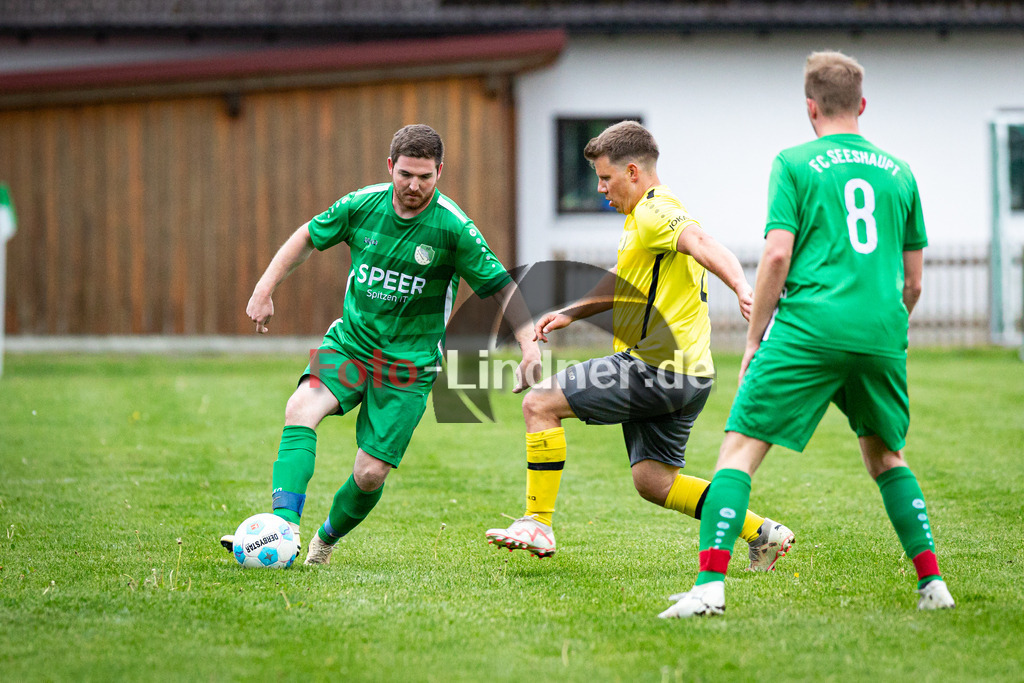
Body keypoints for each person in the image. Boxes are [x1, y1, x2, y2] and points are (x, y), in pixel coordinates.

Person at [660, 51, 955, 618]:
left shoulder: (794, 163)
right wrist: (889, 330)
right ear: (861, 105)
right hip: (881, 331)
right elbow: (913, 282)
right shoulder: (901, 171)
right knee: (887, 457)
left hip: (810, 327)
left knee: (737, 455)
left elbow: (776, 253)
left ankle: (709, 589)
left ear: (810, 107)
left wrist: (753, 340)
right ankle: (932, 584)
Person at [220, 124, 541, 565]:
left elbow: (502, 286)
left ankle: (324, 540)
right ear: (390, 166)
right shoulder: (361, 205)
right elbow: (308, 237)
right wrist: (264, 287)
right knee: (300, 409)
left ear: (440, 172)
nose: (414, 185)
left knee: (369, 474)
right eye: (406, 173)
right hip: (352, 345)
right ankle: (283, 528)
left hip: (407, 368)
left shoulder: (454, 229)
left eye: (425, 177)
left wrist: (529, 345)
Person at [485, 121, 795, 571]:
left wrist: (742, 286)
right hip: (692, 374)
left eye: (605, 178)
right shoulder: (641, 221)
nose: (600, 189)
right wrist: (571, 313)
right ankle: (762, 533)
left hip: (656, 367)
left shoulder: (655, 211)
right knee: (653, 481)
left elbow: (704, 243)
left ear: (633, 171)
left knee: (539, 403)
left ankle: (537, 522)